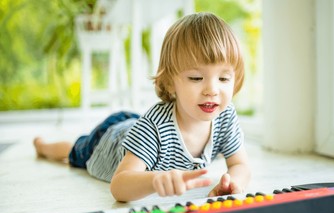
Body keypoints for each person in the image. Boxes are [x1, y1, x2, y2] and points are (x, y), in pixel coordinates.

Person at [34, 12, 251, 202]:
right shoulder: (155, 127)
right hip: (109, 139)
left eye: (224, 78)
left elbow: (240, 164)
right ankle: (44, 147)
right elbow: (119, 185)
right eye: (196, 78)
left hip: (135, 126)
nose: (212, 90)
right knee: (76, 151)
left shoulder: (225, 115)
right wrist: (155, 179)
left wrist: (234, 184)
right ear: (169, 83)